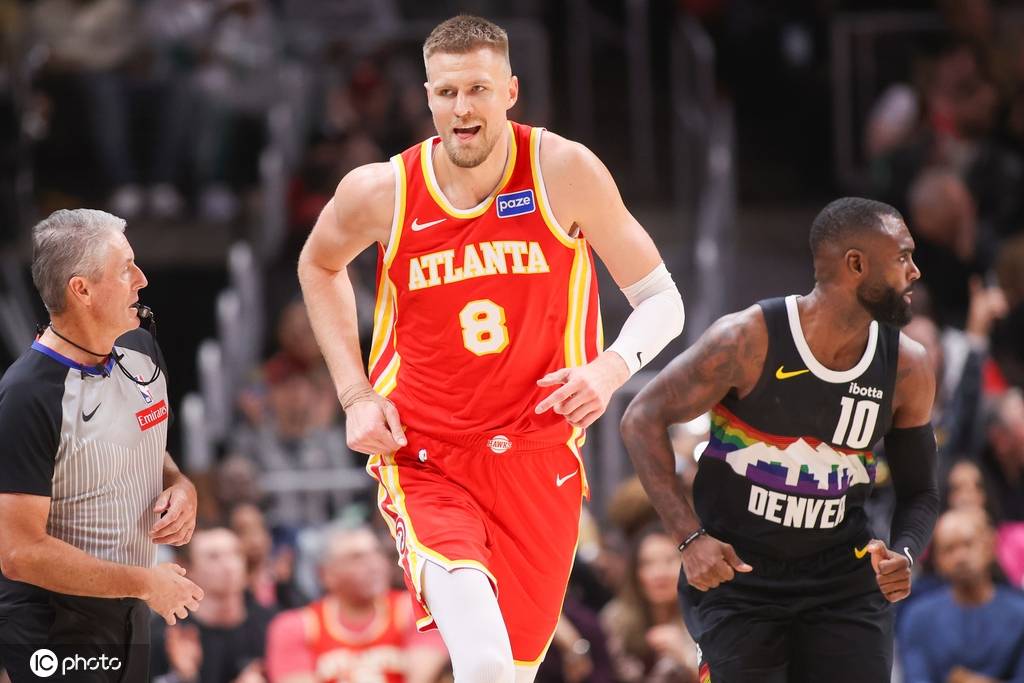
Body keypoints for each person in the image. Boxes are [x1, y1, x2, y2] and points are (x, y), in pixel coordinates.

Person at [297, 14, 684, 682]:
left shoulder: (563, 171)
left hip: (540, 455)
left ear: (510, 91)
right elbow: (318, 263)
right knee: (482, 663)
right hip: (427, 456)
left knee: (513, 672)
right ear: (426, 97)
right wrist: (356, 393)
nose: (462, 109)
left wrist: (609, 369)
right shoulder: (382, 190)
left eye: (477, 89)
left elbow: (662, 300)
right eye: (447, 92)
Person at [621, 197, 939, 682]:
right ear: (856, 264)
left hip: (843, 582)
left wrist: (906, 550)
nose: (914, 271)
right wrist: (688, 537)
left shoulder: (908, 367)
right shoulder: (746, 340)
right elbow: (640, 417)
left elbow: (921, 491)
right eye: (902, 256)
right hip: (740, 579)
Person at [0, 209, 203, 681]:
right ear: (82, 289)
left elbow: (142, 443)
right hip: (53, 626)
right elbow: (19, 553)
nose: (142, 279)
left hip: (129, 610)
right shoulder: (27, 395)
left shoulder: (142, 349)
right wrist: (146, 583)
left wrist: (181, 485)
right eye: (126, 268)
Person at [265, 526, 448, 683]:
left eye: (376, 553)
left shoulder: (415, 610)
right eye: (357, 558)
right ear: (325, 574)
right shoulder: (296, 627)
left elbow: (423, 678)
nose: (373, 565)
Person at [899, 508, 1024, 682]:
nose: (960, 557)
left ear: (990, 546)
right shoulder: (918, 617)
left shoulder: (1019, 613)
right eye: (949, 549)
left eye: (968, 544)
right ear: (937, 560)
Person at [151, 526, 275, 683]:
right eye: (213, 557)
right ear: (187, 568)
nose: (229, 566)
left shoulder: (271, 623)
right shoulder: (168, 633)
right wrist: (184, 677)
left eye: (235, 554)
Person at [600, 524, 699, 683]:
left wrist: (685, 657)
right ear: (635, 572)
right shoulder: (615, 619)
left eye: (669, 561)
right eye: (647, 563)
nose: (659, 573)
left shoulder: (704, 620)